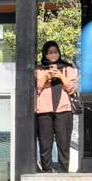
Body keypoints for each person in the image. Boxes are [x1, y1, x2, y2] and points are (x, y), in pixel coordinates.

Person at [34, 40, 78, 173]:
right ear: (45, 54)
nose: (53, 55)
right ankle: (46, 171)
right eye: (50, 53)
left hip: (63, 110)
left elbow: (72, 89)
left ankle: (64, 172)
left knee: (63, 143)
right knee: (45, 144)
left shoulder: (68, 68)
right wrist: (45, 77)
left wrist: (61, 77)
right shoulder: (38, 69)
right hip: (44, 111)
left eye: (56, 52)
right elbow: (36, 89)